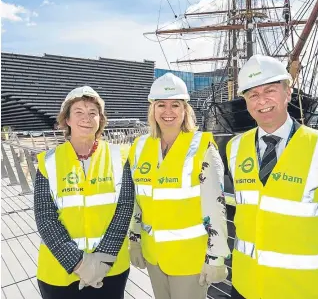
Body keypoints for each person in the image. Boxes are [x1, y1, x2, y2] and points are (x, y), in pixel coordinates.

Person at [226, 55, 318, 299]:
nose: (262, 100)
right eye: (253, 94)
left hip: (302, 287)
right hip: (246, 284)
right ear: (246, 102)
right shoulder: (234, 148)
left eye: (270, 90)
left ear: (288, 93)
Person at [127, 73, 231, 299]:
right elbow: (137, 202)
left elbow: (216, 207)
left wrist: (216, 258)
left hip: (190, 259)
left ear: (185, 110)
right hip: (154, 255)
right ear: (152, 109)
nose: (168, 111)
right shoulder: (139, 148)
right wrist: (134, 240)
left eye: (175, 105)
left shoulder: (202, 147)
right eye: (161, 105)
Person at [34, 86, 134, 299]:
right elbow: (45, 217)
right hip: (60, 272)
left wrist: (103, 260)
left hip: (110, 269)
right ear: (67, 120)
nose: (86, 118)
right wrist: (78, 263)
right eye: (78, 112)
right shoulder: (48, 162)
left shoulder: (119, 157)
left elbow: (124, 209)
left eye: (93, 113)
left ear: (100, 120)